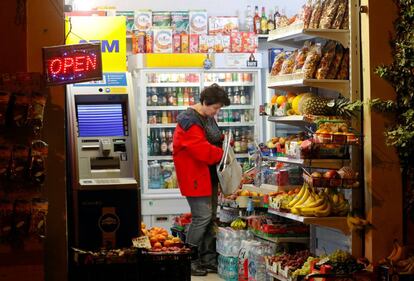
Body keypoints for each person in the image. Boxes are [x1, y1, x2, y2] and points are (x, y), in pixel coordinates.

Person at [172, 83, 230, 276]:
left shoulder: (206, 116)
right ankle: (189, 259)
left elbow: (213, 139)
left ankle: (208, 259)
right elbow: (202, 150)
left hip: (209, 176)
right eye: (215, 107)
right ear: (205, 102)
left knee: (210, 217)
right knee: (202, 217)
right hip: (195, 176)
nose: (217, 112)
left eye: (219, 108)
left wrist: (225, 142)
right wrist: (222, 153)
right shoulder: (189, 120)